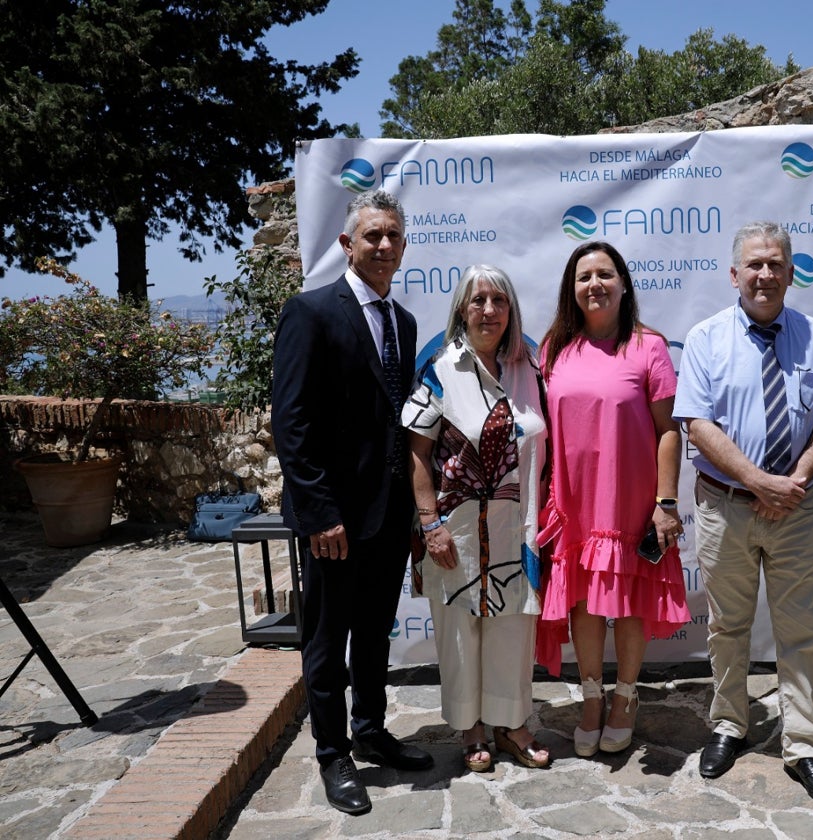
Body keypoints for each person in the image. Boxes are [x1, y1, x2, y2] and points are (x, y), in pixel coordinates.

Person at [674, 221, 813, 811]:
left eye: (776, 264)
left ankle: (803, 745)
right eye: (754, 264)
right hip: (726, 506)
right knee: (728, 626)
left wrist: (796, 480)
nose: (765, 275)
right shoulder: (705, 338)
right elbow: (696, 423)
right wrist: (758, 482)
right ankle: (729, 724)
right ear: (735, 274)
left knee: (801, 633)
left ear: (791, 272)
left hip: (797, 509)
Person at [272, 189, 432, 815]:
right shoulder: (310, 313)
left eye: (393, 235)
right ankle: (333, 753)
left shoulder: (405, 321)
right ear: (347, 244)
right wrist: (319, 513)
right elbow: (292, 423)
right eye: (372, 236)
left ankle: (370, 729)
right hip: (334, 520)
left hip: (388, 515)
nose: (384, 245)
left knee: (372, 635)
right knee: (325, 638)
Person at [536, 240, 690, 757]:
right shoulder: (554, 346)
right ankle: (592, 698)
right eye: (584, 277)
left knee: (626, 604)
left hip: (630, 497)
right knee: (580, 599)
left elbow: (670, 431)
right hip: (573, 500)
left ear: (624, 284)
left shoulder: (650, 347)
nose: (594, 284)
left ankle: (626, 698)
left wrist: (665, 503)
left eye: (605, 274)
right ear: (571, 289)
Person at [402, 264, 551, 772]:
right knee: (461, 631)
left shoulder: (529, 367)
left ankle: (512, 725)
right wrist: (429, 524)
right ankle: (470, 729)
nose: (489, 310)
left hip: (520, 528)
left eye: (499, 301)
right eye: (478, 301)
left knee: (513, 632)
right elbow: (418, 453)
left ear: (511, 311)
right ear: (462, 310)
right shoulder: (441, 368)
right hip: (454, 531)